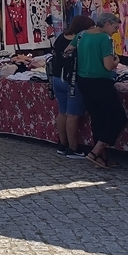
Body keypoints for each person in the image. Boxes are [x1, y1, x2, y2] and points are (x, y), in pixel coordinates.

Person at [75, 12, 127, 169]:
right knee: (118, 118)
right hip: (100, 81)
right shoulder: (105, 39)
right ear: (107, 24)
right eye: (115, 28)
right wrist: (116, 61)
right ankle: (96, 151)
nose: (115, 32)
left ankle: (100, 157)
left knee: (98, 117)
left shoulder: (82, 34)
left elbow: (69, 49)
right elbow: (108, 65)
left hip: (83, 80)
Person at [49, 16, 93, 159]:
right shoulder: (81, 39)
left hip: (57, 78)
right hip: (72, 79)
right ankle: (73, 148)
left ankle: (63, 145)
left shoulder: (61, 37)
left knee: (63, 113)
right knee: (73, 115)